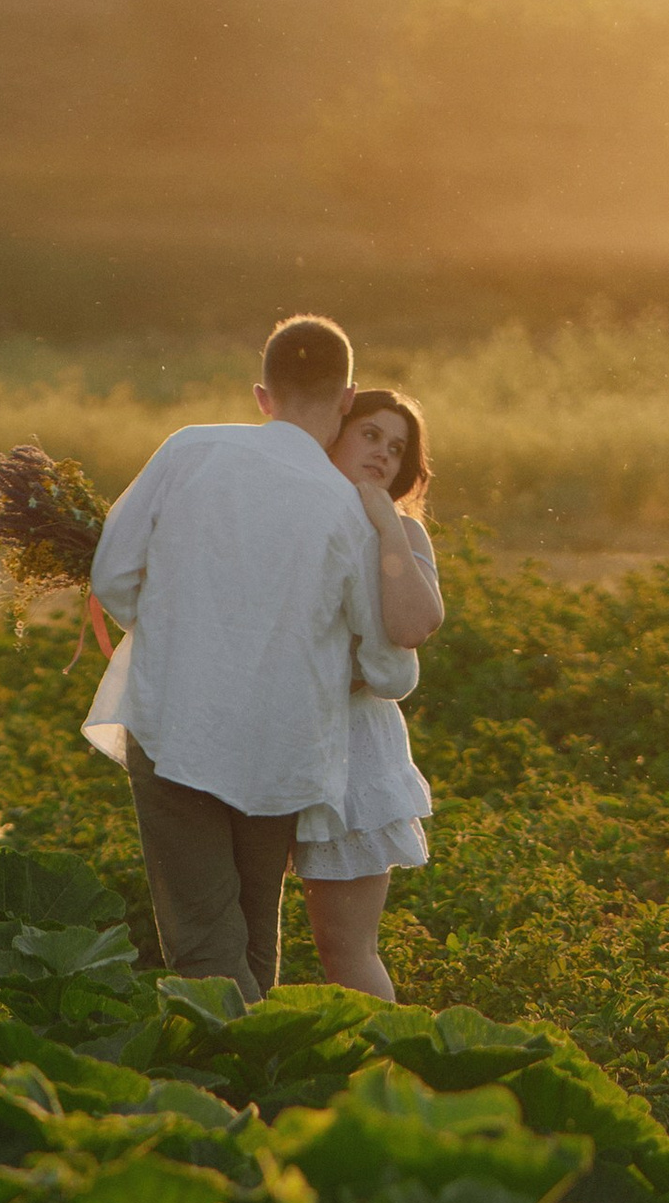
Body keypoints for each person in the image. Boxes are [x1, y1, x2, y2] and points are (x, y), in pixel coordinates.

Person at [82, 314, 438, 1003]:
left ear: (261, 393)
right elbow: (392, 668)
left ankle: (226, 1090)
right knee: (251, 935)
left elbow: (113, 576)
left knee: (205, 943)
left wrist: (186, 641)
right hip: (282, 743)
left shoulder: (188, 450)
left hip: (174, 724)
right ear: (345, 399)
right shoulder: (345, 508)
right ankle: (264, 1084)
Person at [297, 385, 440, 1001]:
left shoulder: (403, 532)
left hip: (355, 753)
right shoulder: (288, 510)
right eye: (370, 435)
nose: (383, 453)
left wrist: (384, 522)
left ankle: (383, 1083)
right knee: (242, 938)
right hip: (271, 736)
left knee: (345, 948)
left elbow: (413, 625)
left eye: (398, 447)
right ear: (335, 430)